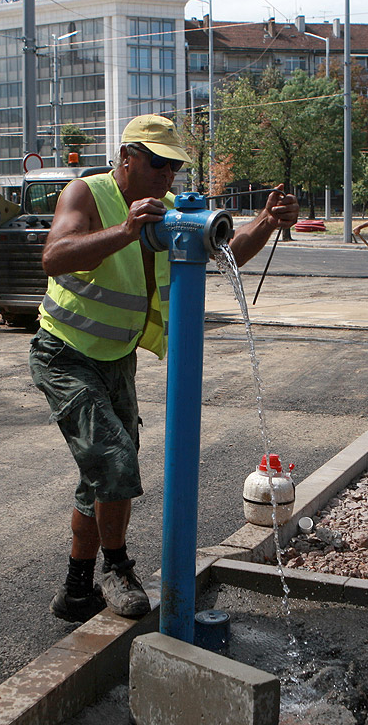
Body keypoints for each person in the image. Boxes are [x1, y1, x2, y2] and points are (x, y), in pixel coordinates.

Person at [29, 114, 299, 623]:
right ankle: (116, 569)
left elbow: (225, 254)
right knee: (114, 460)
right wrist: (127, 231)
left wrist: (264, 221)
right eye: (157, 164)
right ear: (126, 158)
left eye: (173, 166)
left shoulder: (170, 209)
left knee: (101, 477)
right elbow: (54, 256)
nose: (167, 176)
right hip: (63, 353)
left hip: (116, 360)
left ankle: (76, 590)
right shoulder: (85, 194)